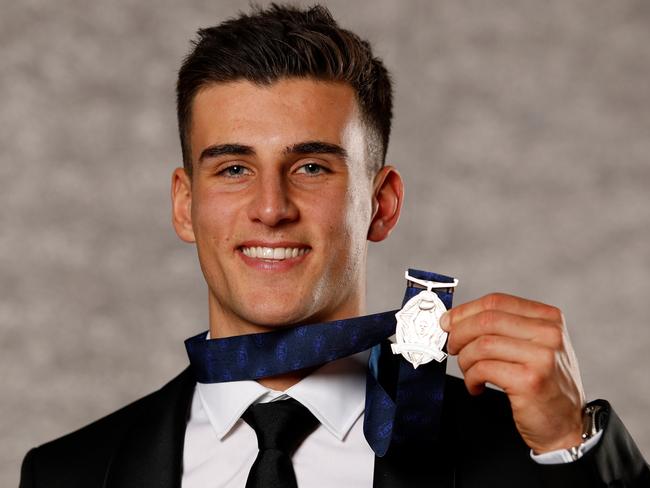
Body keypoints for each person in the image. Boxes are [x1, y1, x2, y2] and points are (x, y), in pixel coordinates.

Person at [19, 4, 649, 487]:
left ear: (383, 203)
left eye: (312, 168)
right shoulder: (66, 473)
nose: (271, 208)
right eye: (233, 169)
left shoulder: (522, 455)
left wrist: (573, 446)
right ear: (186, 205)